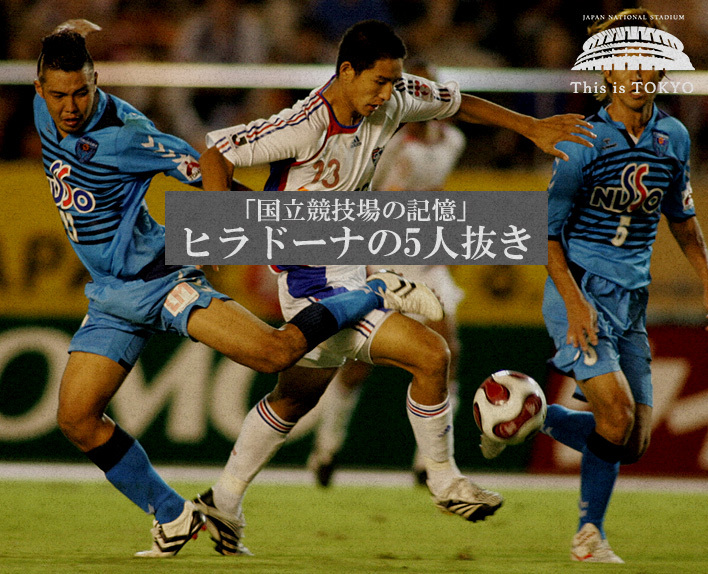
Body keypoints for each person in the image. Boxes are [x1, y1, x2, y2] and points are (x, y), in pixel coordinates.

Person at [33, 23, 443, 559]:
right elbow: (59, 51)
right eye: (58, 94)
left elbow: (208, 170)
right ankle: (175, 516)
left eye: (81, 92)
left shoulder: (128, 134)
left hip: (161, 279)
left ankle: (376, 288)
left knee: (273, 355)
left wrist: (241, 227)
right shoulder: (44, 106)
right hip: (111, 294)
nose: (70, 107)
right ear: (40, 87)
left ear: (96, 81)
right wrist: (70, 31)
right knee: (76, 419)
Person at [196, 19, 596, 555]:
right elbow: (216, 152)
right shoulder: (306, 124)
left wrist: (531, 127)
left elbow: (458, 104)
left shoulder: (395, 97)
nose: (388, 94)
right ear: (346, 71)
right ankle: (443, 480)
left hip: (347, 265)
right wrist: (220, 232)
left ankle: (222, 500)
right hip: (314, 280)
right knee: (432, 355)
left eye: (393, 82)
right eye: (379, 81)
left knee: (293, 398)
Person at [483, 8, 708, 563]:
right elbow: (546, 235)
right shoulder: (582, 140)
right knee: (615, 415)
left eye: (648, 62)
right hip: (578, 290)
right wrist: (575, 303)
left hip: (631, 299)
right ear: (607, 71)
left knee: (633, 442)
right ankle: (589, 535)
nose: (638, 73)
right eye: (626, 62)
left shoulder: (673, 137)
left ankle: (527, 412)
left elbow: (682, 220)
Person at [305, 60, 466, 487]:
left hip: (428, 262)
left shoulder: (454, 141)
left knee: (448, 352)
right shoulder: (388, 141)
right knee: (358, 363)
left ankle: (431, 461)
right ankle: (326, 449)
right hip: (384, 258)